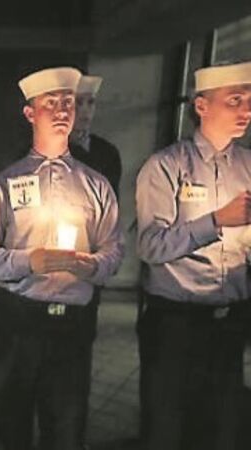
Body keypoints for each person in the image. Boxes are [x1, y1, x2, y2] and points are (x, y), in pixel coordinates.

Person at [0, 67, 123, 450]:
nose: (62, 110)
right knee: (6, 426)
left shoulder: (96, 184)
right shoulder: (6, 182)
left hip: (72, 325)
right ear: (30, 113)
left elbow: (113, 249)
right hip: (17, 319)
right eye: (50, 103)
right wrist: (29, 262)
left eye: (68, 102)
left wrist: (90, 266)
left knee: (66, 428)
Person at [135, 60, 251, 450]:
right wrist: (216, 220)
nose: (246, 110)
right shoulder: (166, 166)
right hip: (175, 323)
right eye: (235, 100)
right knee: (167, 426)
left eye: (250, 101)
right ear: (201, 105)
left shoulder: (249, 166)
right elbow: (150, 245)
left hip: (230, 320)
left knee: (221, 427)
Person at [70, 75, 122, 196]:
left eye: (91, 102)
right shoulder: (53, 151)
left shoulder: (108, 153)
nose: (85, 110)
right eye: (78, 102)